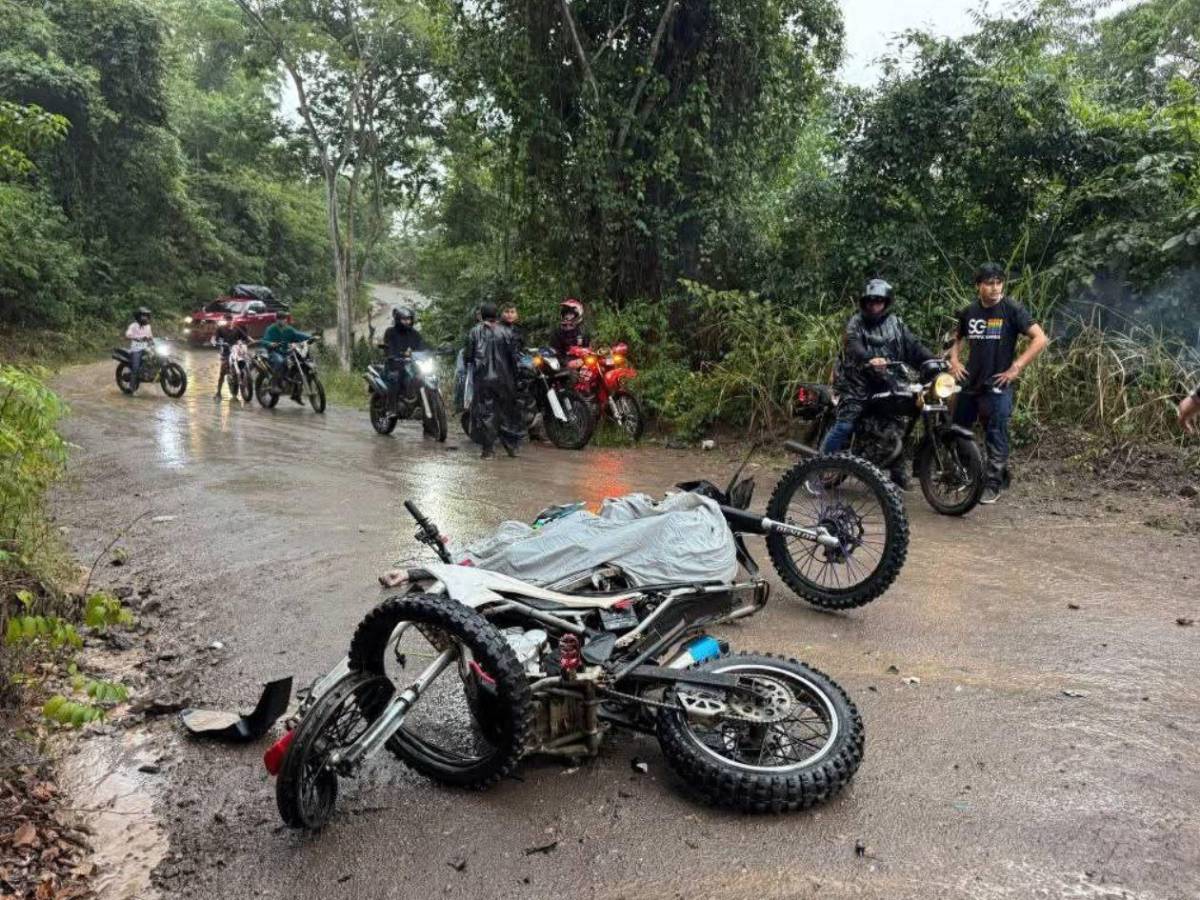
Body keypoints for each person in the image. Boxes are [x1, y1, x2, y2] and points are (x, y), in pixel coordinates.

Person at [949, 263, 1048, 504]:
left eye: (998, 283)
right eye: (989, 283)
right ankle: (970, 476)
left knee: (996, 432)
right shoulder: (969, 311)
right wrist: (954, 360)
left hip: (998, 382)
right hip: (970, 380)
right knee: (958, 428)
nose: (995, 288)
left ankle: (992, 484)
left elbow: (1040, 338)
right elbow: (956, 338)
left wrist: (1016, 367)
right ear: (978, 286)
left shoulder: (1012, 309)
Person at [821, 279, 935, 489]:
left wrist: (933, 362)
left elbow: (914, 348)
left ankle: (896, 472)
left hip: (886, 380)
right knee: (845, 423)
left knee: (898, 421)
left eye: (879, 301)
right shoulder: (856, 323)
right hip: (855, 381)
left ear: (886, 302)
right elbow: (853, 345)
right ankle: (816, 467)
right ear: (864, 303)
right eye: (870, 301)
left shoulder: (896, 324)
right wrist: (868, 358)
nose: (874, 305)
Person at [465, 302, 522, 459]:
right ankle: (511, 447)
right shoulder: (506, 332)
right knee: (505, 412)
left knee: (487, 413)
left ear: (482, 315)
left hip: (484, 379)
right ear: (497, 315)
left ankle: (488, 450)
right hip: (505, 379)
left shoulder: (474, 332)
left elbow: (468, 356)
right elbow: (514, 357)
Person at [379, 306, 426, 413]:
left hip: (411, 365)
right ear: (398, 320)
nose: (407, 321)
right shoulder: (390, 332)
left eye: (409, 319)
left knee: (424, 377)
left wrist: (434, 351)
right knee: (395, 378)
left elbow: (423, 346)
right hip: (394, 364)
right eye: (404, 319)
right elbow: (388, 346)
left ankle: (420, 403)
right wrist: (391, 355)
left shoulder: (415, 334)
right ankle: (392, 408)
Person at [260, 315, 313, 397]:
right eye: (280, 319)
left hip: (286, 351)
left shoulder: (289, 329)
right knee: (280, 361)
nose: (283, 321)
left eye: (284, 319)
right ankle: (274, 384)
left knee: (299, 359)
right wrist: (270, 343)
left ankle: (292, 381)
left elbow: (298, 335)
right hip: (274, 352)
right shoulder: (271, 329)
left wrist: (311, 337)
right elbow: (264, 341)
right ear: (276, 320)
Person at [212, 315, 250, 400]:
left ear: (233, 320)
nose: (229, 322)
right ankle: (218, 392)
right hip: (226, 351)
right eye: (227, 320)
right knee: (222, 371)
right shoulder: (220, 329)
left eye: (230, 320)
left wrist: (245, 341)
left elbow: (245, 337)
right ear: (224, 320)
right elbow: (215, 338)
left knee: (245, 361)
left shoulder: (237, 328)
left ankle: (245, 380)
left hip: (236, 351)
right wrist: (217, 342)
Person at [125, 307, 154, 392]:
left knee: (159, 358)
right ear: (138, 316)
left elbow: (151, 336)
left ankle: (150, 374)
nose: (145, 318)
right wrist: (136, 337)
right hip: (136, 349)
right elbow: (127, 334)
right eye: (143, 316)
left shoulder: (148, 326)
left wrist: (153, 341)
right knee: (135, 368)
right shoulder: (133, 326)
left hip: (146, 348)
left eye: (146, 316)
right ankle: (131, 388)